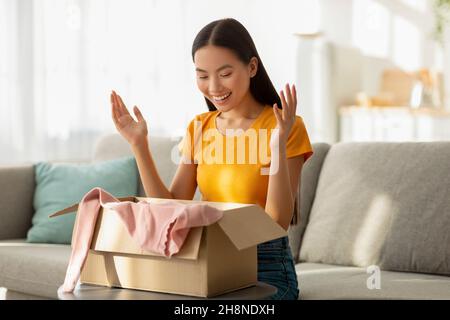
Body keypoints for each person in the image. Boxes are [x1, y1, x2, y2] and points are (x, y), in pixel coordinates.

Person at [110, 18, 313, 300]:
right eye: (203, 76)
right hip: (208, 261)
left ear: (252, 67)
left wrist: (277, 144)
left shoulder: (285, 126)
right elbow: (169, 207)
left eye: (225, 73)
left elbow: (276, 223)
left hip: (265, 267)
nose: (213, 86)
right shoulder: (199, 127)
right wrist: (139, 145)